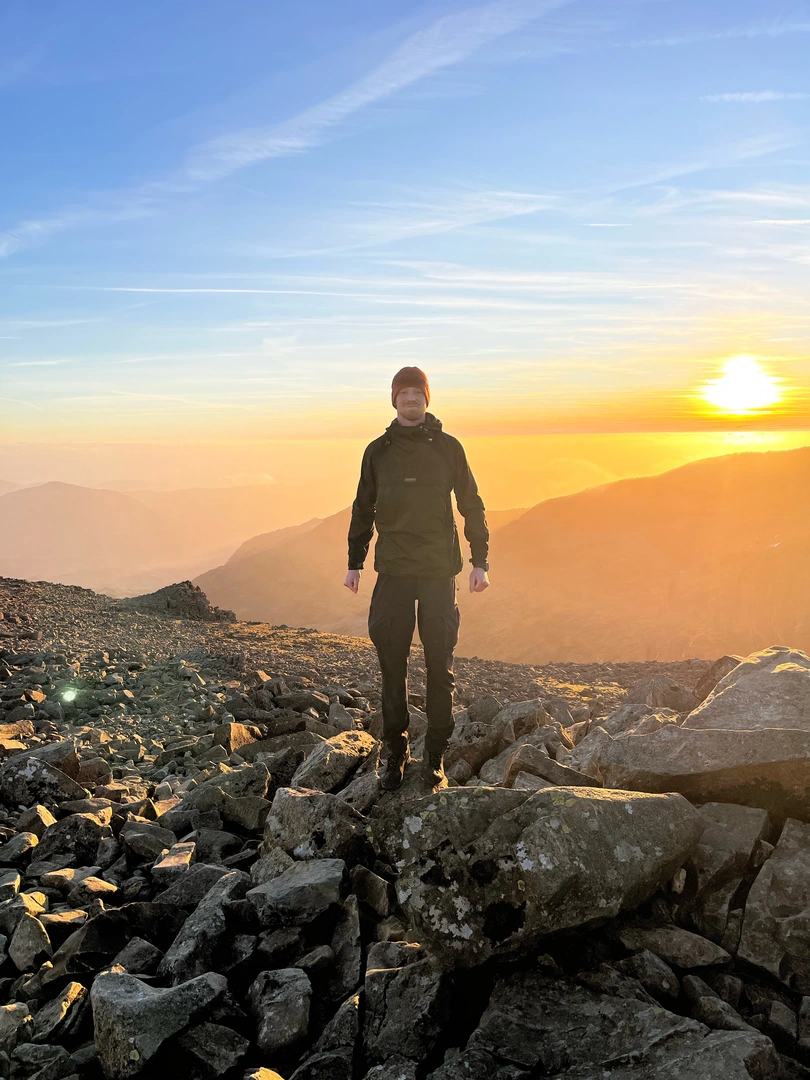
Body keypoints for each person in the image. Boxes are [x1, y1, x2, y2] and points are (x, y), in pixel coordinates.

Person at [344, 366, 490, 792]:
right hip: (393, 570)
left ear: (427, 399)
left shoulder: (448, 447)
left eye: (417, 393)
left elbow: (471, 503)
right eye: (403, 392)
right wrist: (354, 562)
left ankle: (435, 756)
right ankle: (396, 752)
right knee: (392, 665)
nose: (411, 398)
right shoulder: (378, 452)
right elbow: (363, 507)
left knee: (439, 665)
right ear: (394, 399)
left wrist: (480, 561)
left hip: (438, 571)